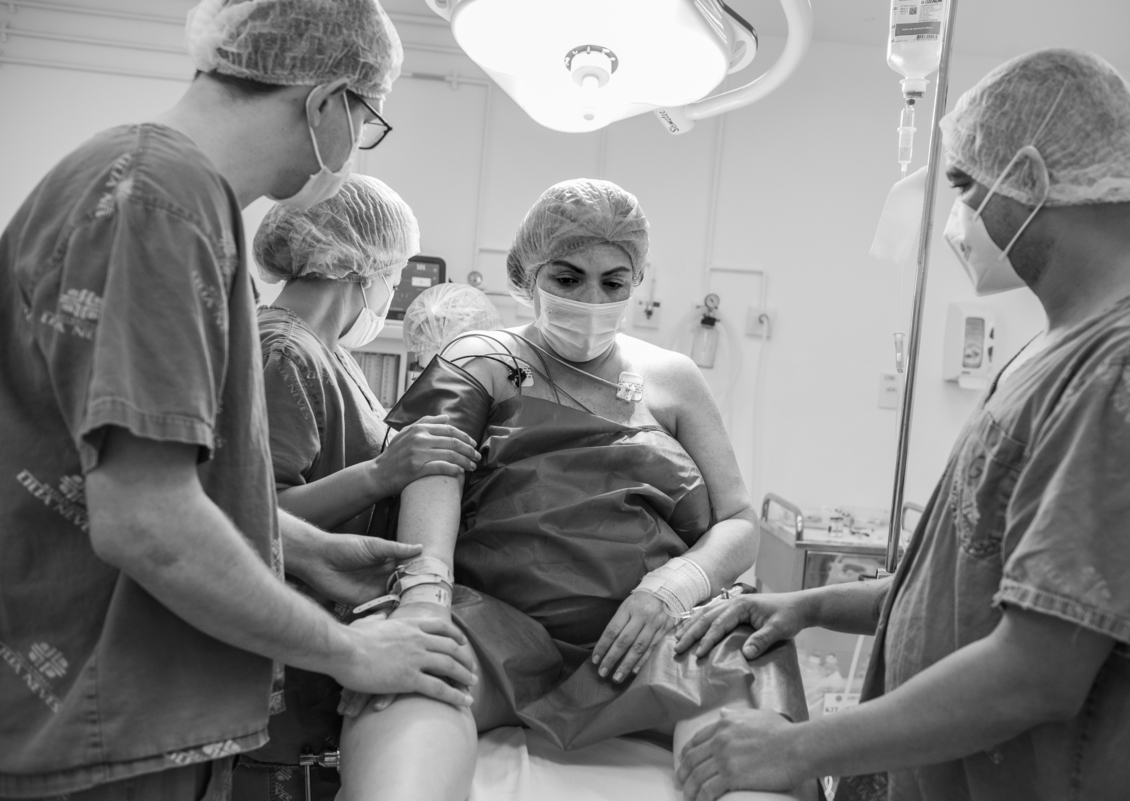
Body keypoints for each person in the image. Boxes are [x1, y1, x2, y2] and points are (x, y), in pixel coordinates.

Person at [673, 48, 1130, 801]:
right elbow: (972, 587)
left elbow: (1038, 670)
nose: (958, 217)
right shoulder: (1062, 348)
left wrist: (794, 749)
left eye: (964, 186)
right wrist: (812, 606)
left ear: (1030, 176)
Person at [0, 2, 477, 799]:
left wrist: (301, 547)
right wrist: (351, 651)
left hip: (134, 714)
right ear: (328, 103)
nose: (356, 146)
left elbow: (159, 480)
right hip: (96, 720)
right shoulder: (158, 202)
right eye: (367, 121)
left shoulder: (169, 196)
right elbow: (146, 519)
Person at [337, 179, 808, 801]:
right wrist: (424, 602)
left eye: (613, 282)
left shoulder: (673, 380)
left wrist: (672, 588)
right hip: (496, 632)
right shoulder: (482, 361)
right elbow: (435, 475)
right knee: (411, 668)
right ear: (526, 275)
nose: (592, 299)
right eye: (567, 278)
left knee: (746, 668)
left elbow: (739, 519)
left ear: (637, 280)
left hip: (655, 637)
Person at [233, 174, 483, 800]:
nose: (393, 292)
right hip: (279, 672)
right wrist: (381, 474)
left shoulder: (331, 352)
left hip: (335, 646)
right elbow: (248, 516)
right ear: (363, 265)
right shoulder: (283, 352)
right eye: (395, 275)